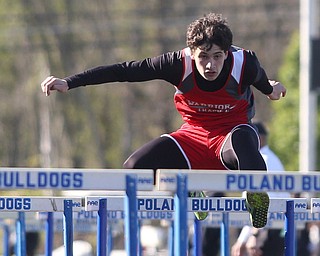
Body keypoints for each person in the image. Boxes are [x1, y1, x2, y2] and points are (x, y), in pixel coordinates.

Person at [40, 13, 286, 228]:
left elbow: (266, 86)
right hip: (191, 138)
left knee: (244, 136)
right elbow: (123, 70)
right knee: (133, 167)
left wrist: (271, 89)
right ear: (191, 52)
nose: (211, 65)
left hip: (231, 139)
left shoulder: (245, 63)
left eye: (218, 56)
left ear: (228, 52)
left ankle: (255, 195)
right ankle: (191, 192)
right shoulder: (176, 64)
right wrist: (69, 82)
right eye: (203, 57)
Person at [231, 122, 291, 256]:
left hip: (268, 230)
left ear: (260, 138)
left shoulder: (264, 160)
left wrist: (255, 236)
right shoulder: (268, 159)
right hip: (270, 227)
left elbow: (263, 202)